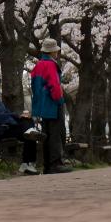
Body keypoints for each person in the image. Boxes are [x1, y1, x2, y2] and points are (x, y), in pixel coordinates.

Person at [0, 73, 42, 174]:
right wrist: (15, 121)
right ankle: (27, 163)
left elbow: (4, 114)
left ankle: (27, 162)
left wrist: (18, 118)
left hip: (2, 127)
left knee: (28, 127)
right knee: (28, 129)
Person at [31, 37, 72, 173]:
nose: (57, 53)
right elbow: (54, 85)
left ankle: (47, 165)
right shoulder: (51, 65)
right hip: (52, 103)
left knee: (46, 134)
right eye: (56, 51)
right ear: (52, 52)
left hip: (41, 105)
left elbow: (34, 87)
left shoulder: (38, 66)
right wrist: (59, 100)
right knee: (56, 133)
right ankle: (56, 163)